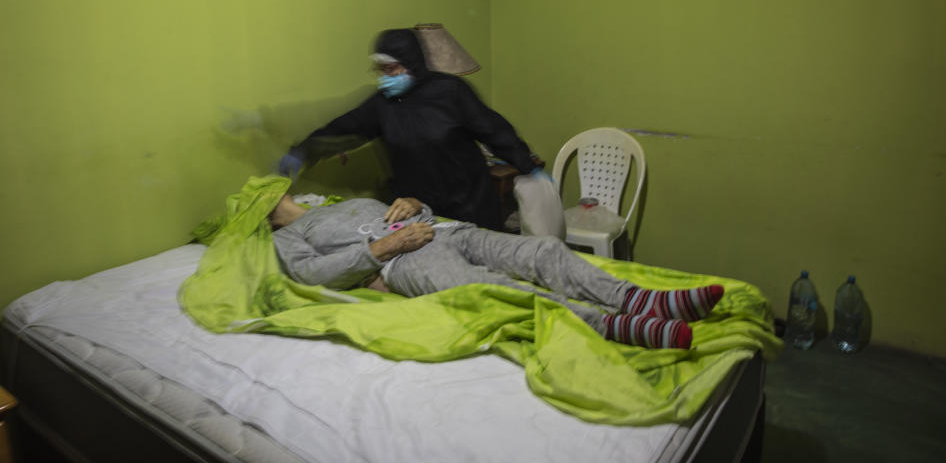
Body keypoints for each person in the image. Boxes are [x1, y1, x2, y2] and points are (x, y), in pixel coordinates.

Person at [269, 193, 725, 349]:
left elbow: (406, 210)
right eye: (275, 196)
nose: (289, 196)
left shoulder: (339, 202)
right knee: (487, 288)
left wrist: (416, 204)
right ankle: (614, 325)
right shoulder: (285, 238)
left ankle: (642, 299)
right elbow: (311, 276)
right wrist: (379, 250)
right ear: (264, 212)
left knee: (544, 250)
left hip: (443, 228)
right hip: (403, 258)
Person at [276, 28, 541, 231]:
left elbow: (494, 129)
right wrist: (302, 150)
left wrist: (527, 165)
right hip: (416, 207)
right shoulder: (381, 104)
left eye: (391, 69)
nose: (384, 77)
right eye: (380, 70)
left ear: (411, 63)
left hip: (469, 203)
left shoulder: (451, 91)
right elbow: (342, 128)